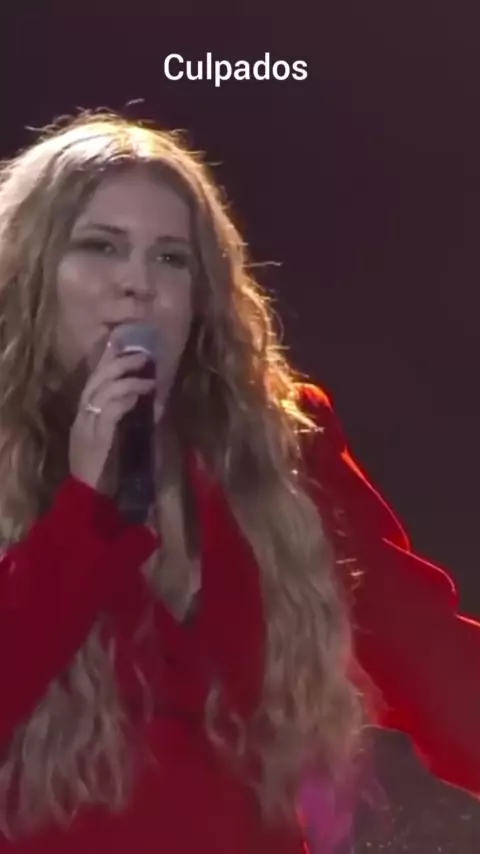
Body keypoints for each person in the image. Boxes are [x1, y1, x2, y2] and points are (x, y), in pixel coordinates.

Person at [0, 111, 477, 854]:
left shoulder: (281, 448)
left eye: (171, 258)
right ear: (29, 272)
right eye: (100, 246)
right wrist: (83, 513)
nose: (137, 283)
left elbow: (436, 663)